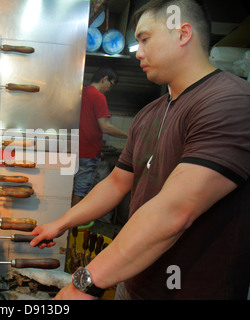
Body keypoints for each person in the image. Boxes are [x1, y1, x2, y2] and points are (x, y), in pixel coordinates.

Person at [30, 0, 250, 300]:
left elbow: (175, 211)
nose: (139, 52)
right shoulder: (150, 113)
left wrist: (84, 284)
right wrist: (61, 223)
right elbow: (117, 183)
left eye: (145, 39)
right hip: (133, 282)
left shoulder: (230, 101)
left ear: (183, 33)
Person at [72, 67, 128, 207]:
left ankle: (66, 226)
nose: (110, 88)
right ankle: (72, 227)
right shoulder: (98, 96)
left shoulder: (80, 93)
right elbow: (106, 127)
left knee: (68, 191)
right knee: (80, 193)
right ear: (104, 79)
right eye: (111, 84)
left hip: (72, 152)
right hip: (88, 154)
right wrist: (129, 135)